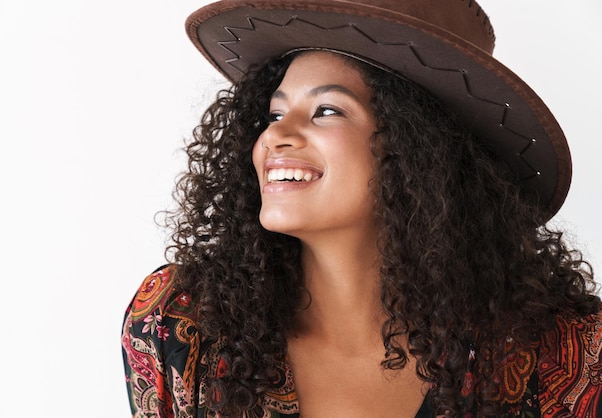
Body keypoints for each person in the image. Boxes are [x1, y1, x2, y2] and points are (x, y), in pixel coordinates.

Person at [121, 1, 602, 417]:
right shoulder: (181, 324)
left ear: (419, 148)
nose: (275, 136)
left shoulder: (566, 352)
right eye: (273, 113)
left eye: (327, 109)